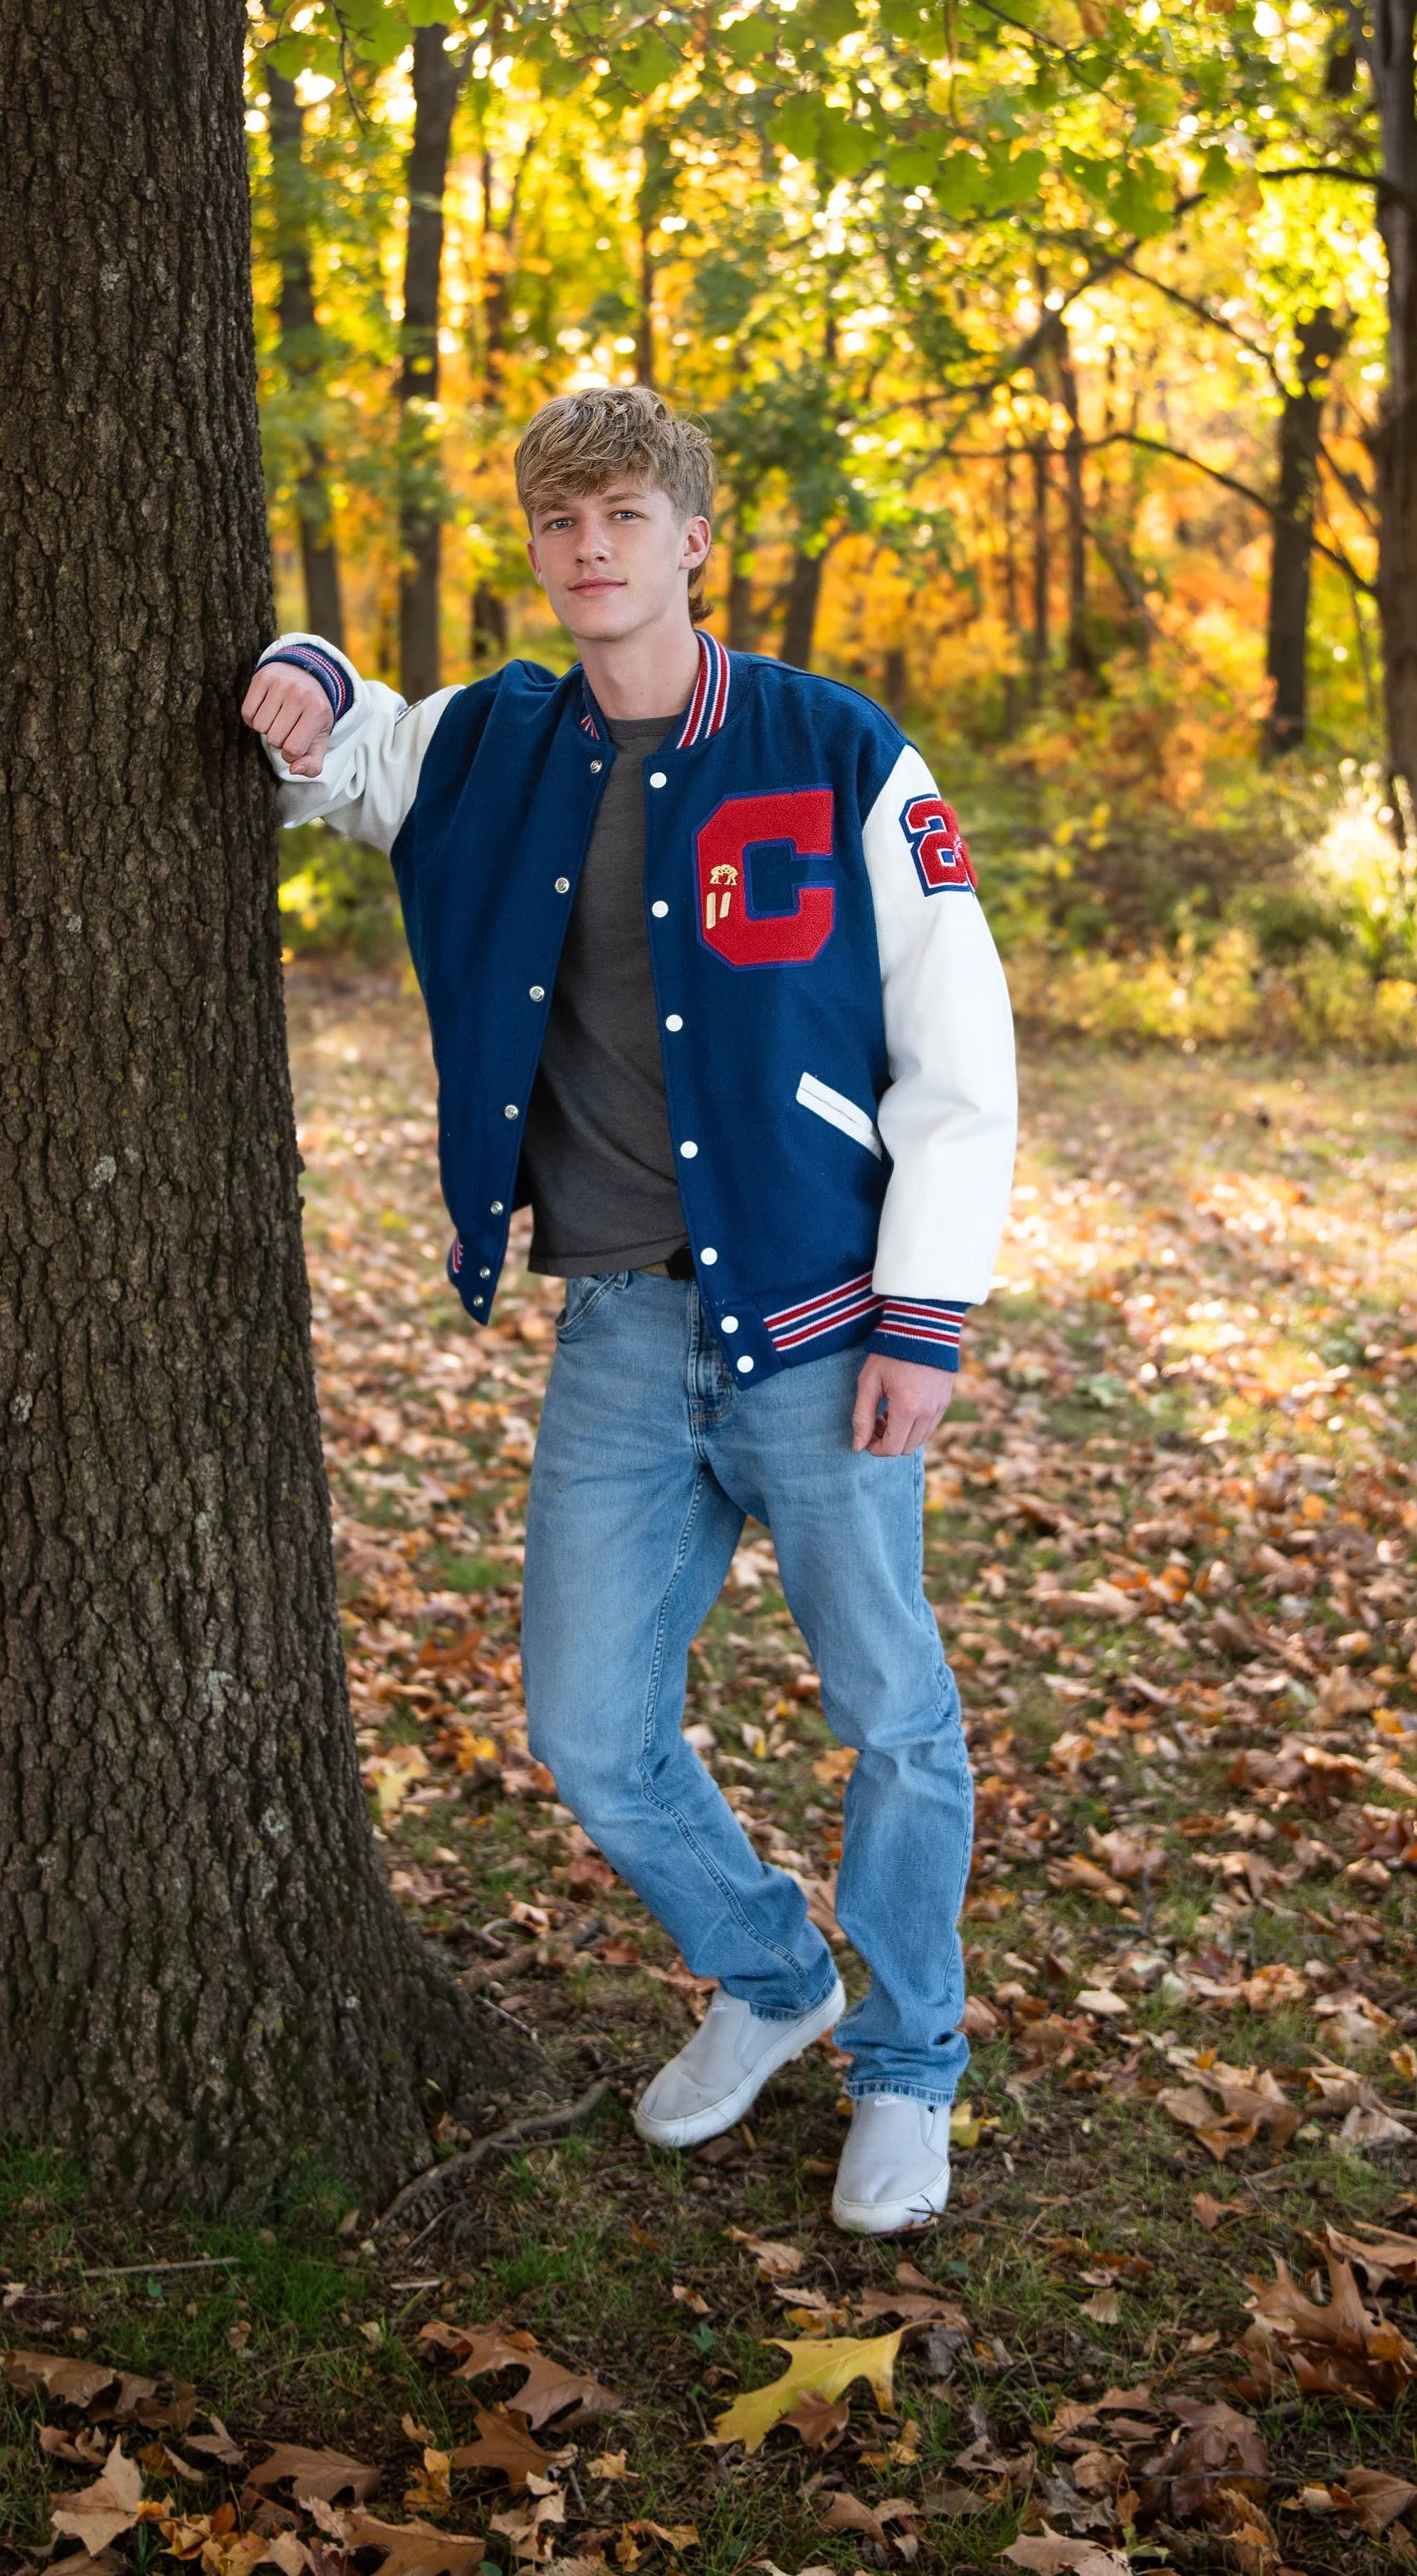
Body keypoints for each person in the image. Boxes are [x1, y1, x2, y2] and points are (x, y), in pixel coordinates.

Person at [240, 384, 1016, 2235]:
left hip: (824, 1328)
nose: (589, 550)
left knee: (891, 1716)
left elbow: (958, 1048)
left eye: (621, 517)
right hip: (612, 1331)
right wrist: (296, 665)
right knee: (587, 1728)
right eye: (558, 523)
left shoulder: (835, 753)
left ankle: (909, 2067)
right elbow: (337, 755)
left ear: (692, 541)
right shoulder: (493, 743)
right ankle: (770, 1976)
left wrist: (925, 1313)